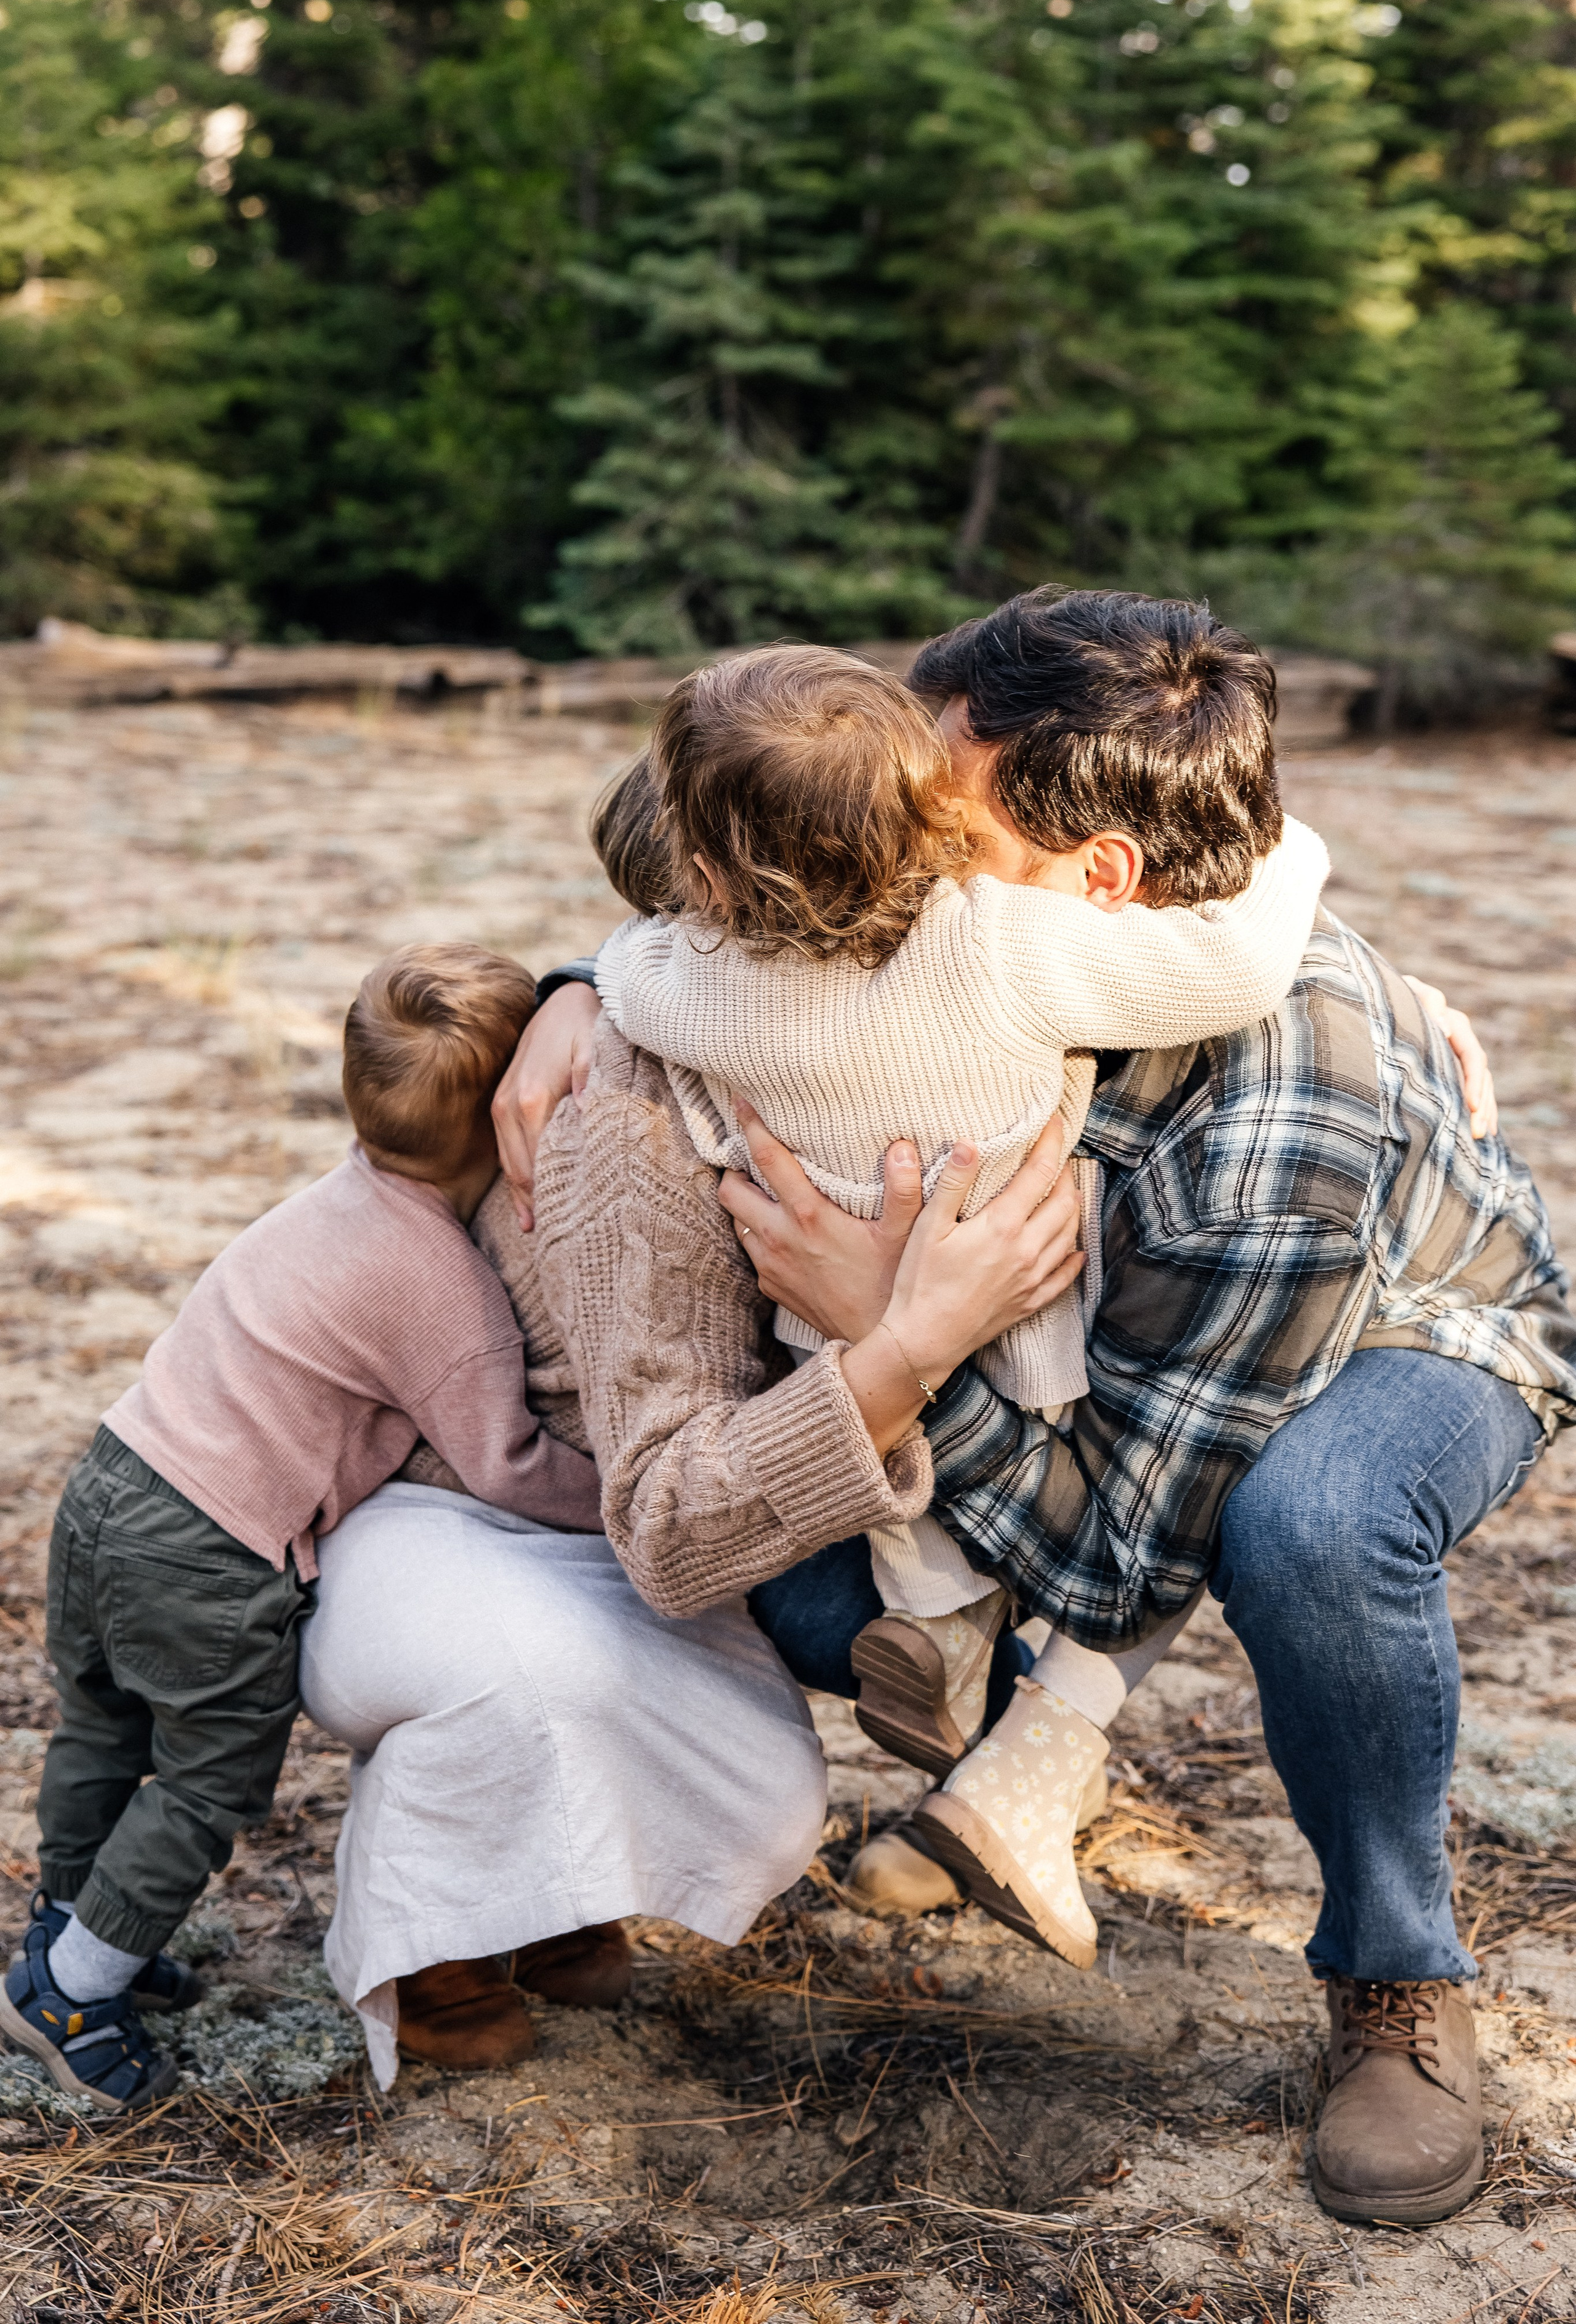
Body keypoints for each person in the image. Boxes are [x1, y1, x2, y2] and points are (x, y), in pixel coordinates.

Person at [497, 586, 1576, 2229]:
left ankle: (1395, 1978)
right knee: (802, 1581)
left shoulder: (1271, 1132)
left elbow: (1135, 1538)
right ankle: (1012, 1774)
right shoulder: (967, 931)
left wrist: (892, 1335)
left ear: (1098, 885)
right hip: (1090, 1351)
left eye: (925, 807)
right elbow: (755, 857)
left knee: (1306, 1527)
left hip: (1386, 1321)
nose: (883, 829)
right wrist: (578, 981)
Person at [592, 638, 1329, 1962]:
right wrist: (1295, 855)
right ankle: (1009, 1683)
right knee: (1097, 1455)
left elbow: (619, 966)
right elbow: (1238, 969)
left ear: (702, 873)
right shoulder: (993, 942)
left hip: (836, 1308)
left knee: (902, 1459)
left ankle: (936, 1622)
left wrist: (588, 973)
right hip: (1036, 1290)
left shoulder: (691, 984)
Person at [300, 1048, 1084, 2085]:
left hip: (605, 1510)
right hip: (438, 1498)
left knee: (766, 1793)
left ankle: (555, 1896)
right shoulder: (638, 1116)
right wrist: (907, 1350)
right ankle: (434, 1941)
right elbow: (673, 1527)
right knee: (529, 1680)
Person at [3, 944, 603, 2112]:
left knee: (102, 1727)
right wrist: (627, 1502)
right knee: (206, 1783)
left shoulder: (335, 1196)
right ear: (503, 1121)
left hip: (111, 1484)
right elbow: (507, 1462)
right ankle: (70, 1993)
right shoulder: (443, 1283)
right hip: (211, 1550)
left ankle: (70, 1928)